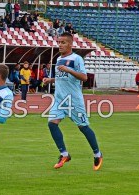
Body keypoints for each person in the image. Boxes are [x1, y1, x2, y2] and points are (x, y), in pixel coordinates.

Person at [43, 32, 103, 171]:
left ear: (70, 44)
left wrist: (69, 70)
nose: (60, 45)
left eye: (63, 42)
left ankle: (97, 154)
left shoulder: (77, 59)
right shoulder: (59, 59)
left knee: (83, 127)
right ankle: (64, 154)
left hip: (73, 101)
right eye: (59, 42)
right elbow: (61, 78)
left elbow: (84, 77)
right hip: (59, 99)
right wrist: (50, 80)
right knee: (52, 124)